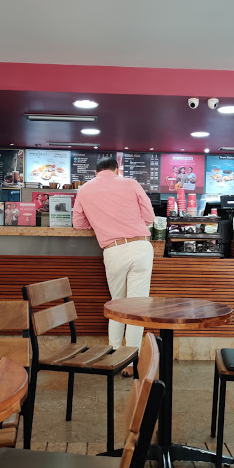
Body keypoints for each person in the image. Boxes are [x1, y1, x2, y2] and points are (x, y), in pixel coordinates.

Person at [73, 157, 155, 377]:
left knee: (117, 304)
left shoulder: (84, 189)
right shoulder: (131, 183)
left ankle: (116, 357)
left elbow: (78, 224)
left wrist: (100, 222)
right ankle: (131, 362)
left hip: (113, 250)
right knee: (136, 308)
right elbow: (149, 217)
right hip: (140, 246)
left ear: (96, 172)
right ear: (117, 170)